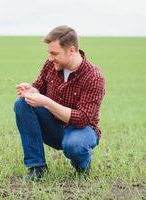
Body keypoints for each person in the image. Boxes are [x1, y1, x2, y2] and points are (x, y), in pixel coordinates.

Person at [14, 25, 105, 181]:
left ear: (71, 50)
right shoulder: (51, 64)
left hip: (82, 131)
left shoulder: (94, 77)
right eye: (49, 53)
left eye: (54, 53)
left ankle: (83, 166)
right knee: (22, 104)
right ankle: (37, 168)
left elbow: (83, 118)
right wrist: (32, 91)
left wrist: (47, 102)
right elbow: (39, 87)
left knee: (75, 145)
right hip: (54, 127)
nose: (50, 58)